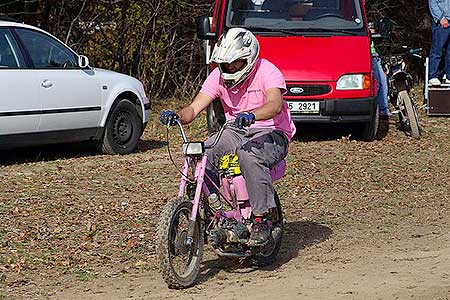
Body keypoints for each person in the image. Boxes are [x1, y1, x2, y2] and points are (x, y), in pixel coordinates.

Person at [160, 28, 296, 246]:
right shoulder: (218, 77)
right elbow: (194, 109)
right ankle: (213, 211)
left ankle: (260, 219)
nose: (230, 69)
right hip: (236, 130)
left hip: (271, 131)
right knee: (203, 151)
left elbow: (274, 105)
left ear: (248, 59)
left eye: (235, 63)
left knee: (248, 156)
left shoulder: (267, 71)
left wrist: (252, 115)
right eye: (225, 64)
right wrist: (176, 116)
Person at [428, 0, 450, 85]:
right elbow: (432, 3)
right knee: (437, 50)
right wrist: (441, 18)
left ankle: (448, 76)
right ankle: (433, 75)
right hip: (442, 22)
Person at [371, 41, 390, 118]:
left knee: (383, 82)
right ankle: (378, 109)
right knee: (377, 83)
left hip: (376, 55)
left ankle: (383, 108)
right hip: (369, 55)